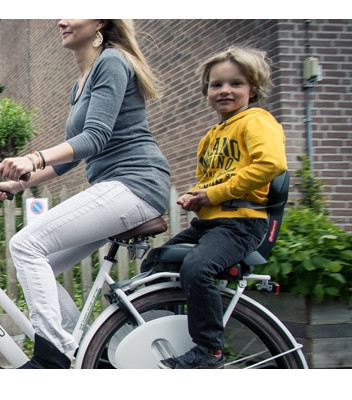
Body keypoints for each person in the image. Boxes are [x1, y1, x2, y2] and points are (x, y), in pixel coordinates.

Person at [0, 19, 170, 369]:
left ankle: (52, 358)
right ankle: (89, 353)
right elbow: (79, 152)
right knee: (40, 263)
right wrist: (21, 182)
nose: (62, 20)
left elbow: (96, 137)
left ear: (101, 21)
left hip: (136, 182)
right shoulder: (80, 84)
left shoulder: (112, 62)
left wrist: (32, 157)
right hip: (114, 186)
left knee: (26, 246)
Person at [157, 46, 287, 369]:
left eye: (236, 83)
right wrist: (194, 195)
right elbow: (211, 181)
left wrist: (213, 194)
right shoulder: (211, 137)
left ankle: (209, 351)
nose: (225, 90)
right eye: (216, 85)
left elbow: (271, 163)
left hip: (242, 223)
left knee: (198, 268)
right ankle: (155, 331)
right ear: (207, 91)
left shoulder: (256, 121)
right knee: (156, 264)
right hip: (210, 224)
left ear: (253, 89)